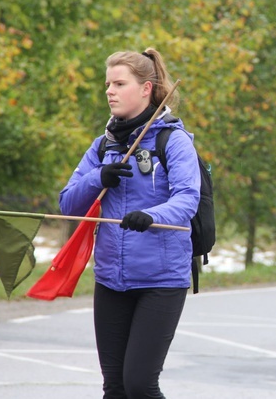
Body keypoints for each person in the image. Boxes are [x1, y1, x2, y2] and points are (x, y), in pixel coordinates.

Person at [59, 48, 200, 399]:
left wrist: (152, 216)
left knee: (139, 385)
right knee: (116, 389)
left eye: (120, 83)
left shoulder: (174, 141)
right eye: (108, 84)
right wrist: (98, 177)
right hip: (111, 279)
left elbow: (187, 199)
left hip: (161, 281)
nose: (110, 91)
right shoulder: (103, 145)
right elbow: (67, 203)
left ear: (146, 89)